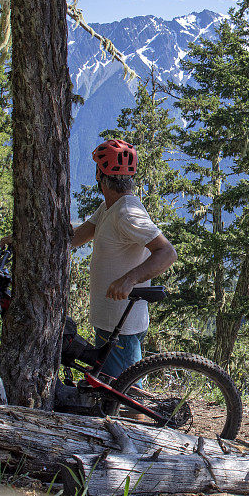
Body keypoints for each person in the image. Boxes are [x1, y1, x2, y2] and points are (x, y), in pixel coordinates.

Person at [69, 138, 177, 378]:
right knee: (109, 390)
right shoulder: (110, 206)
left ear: (99, 175)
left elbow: (167, 253)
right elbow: (76, 237)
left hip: (121, 324)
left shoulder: (127, 212)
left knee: (126, 399)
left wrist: (130, 279)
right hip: (109, 319)